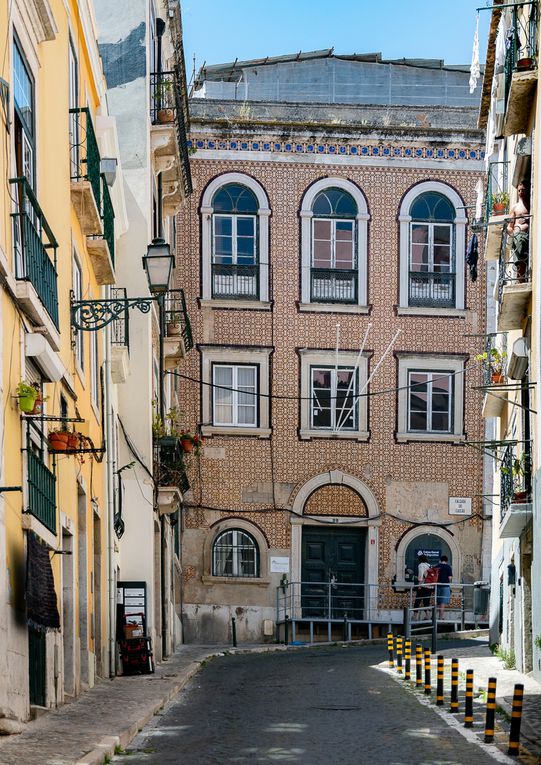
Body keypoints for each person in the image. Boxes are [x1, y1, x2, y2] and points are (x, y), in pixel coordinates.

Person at [506, 180, 530, 282]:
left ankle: (521, 278)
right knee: (519, 256)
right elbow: (510, 226)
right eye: (519, 190)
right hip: (517, 235)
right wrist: (512, 233)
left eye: (523, 190)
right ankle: (520, 279)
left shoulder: (530, 205)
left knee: (523, 257)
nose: (521, 192)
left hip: (526, 235)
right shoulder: (514, 207)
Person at [413, 554, 431, 621]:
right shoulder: (429, 565)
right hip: (429, 586)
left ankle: (415, 617)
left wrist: (418, 581)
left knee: (417, 600)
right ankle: (427, 616)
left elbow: (420, 577)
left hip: (422, 586)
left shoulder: (421, 565)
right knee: (426, 601)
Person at [435, 555, 453, 620]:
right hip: (445, 586)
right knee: (442, 602)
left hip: (437, 586)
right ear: (446, 561)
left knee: (437, 602)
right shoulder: (448, 567)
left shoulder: (437, 566)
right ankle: (441, 617)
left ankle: (434, 617)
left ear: (440, 560)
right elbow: (450, 577)